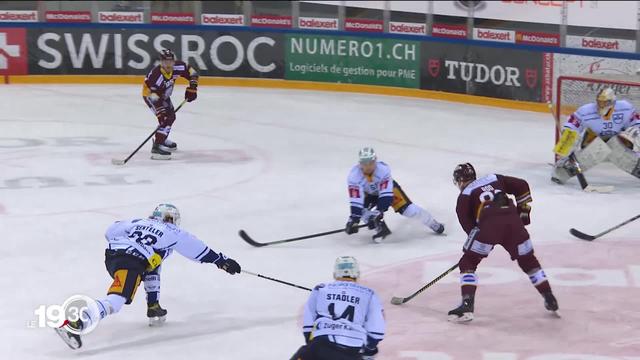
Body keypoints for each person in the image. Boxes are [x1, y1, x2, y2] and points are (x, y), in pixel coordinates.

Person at [54, 204, 241, 349]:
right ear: (171, 219)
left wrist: (153, 304)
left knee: (151, 262)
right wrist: (221, 261)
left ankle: (153, 305)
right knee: (117, 301)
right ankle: (75, 323)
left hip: (114, 258)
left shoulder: (137, 222)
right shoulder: (172, 232)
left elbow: (111, 231)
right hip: (131, 260)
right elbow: (197, 249)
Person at [449, 163, 558, 323]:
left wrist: (482, 247)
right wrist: (523, 213)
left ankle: (467, 305)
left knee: (468, 262)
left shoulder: (464, 197)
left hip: (490, 228)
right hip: (514, 222)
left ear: (459, 180)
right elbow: (522, 185)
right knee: (528, 261)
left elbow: (471, 229)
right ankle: (549, 297)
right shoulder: (493, 178)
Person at [291, 256, 385, 360]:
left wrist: (310, 343)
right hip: (353, 351)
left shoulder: (321, 288)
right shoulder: (369, 294)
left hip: (321, 345)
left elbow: (308, 322)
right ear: (357, 273)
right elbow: (377, 330)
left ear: (335, 273)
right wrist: (369, 348)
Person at [345, 147, 444, 243]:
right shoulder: (354, 176)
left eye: (371, 162)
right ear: (360, 164)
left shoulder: (383, 170)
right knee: (362, 212)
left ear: (375, 161)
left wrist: (378, 212)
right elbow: (356, 200)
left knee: (411, 211)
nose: (368, 166)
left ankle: (432, 223)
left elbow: (386, 196)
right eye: (365, 163)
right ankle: (380, 228)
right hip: (369, 195)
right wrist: (353, 220)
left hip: (389, 191)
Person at [552, 88, 640, 184]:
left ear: (613, 102)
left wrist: (636, 132)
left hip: (619, 146)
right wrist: (564, 149)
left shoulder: (625, 108)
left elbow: (636, 125)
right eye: (600, 102)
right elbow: (571, 128)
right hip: (593, 145)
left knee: (632, 135)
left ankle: (637, 166)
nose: (602, 105)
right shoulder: (585, 111)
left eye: (605, 102)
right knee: (598, 146)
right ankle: (565, 170)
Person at [142, 49, 199, 160]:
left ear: (173, 62)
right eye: (165, 62)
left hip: (164, 95)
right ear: (161, 62)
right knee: (164, 117)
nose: (168, 64)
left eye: (170, 61)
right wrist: (160, 111)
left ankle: (162, 139)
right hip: (150, 95)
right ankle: (157, 147)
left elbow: (193, 72)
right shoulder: (156, 75)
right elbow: (153, 95)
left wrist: (193, 88)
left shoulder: (178, 67)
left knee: (171, 116)